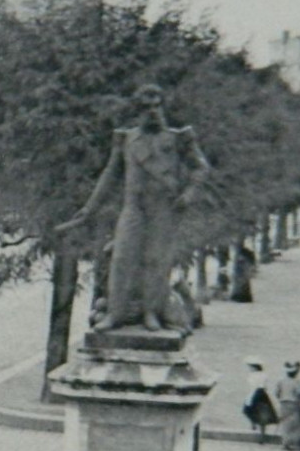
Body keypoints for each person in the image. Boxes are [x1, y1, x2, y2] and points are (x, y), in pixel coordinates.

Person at [55, 84, 212, 332]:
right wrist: (89, 208)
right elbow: (110, 174)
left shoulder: (177, 137)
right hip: (134, 207)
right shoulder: (127, 139)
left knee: (156, 261)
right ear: (138, 111)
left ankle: (151, 312)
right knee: (122, 258)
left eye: (156, 105)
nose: (152, 112)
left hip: (164, 208)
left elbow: (201, 167)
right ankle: (115, 314)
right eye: (146, 107)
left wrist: (189, 194)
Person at [241, 357, 280, 441]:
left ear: (254, 367)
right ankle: (262, 435)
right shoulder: (264, 375)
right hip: (263, 394)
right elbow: (264, 386)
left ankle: (253, 423)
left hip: (255, 393)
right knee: (263, 415)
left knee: (246, 410)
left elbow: (252, 386)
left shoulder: (252, 375)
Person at [273, 360, 300, 450]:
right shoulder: (297, 382)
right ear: (295, 372)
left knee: (285, 424)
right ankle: (294, 442)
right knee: (295, 424)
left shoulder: (281, 380)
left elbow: (276, 393)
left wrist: (280, 398)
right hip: (293, 404)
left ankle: (285, 443)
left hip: (283, 403)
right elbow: (299, 394)